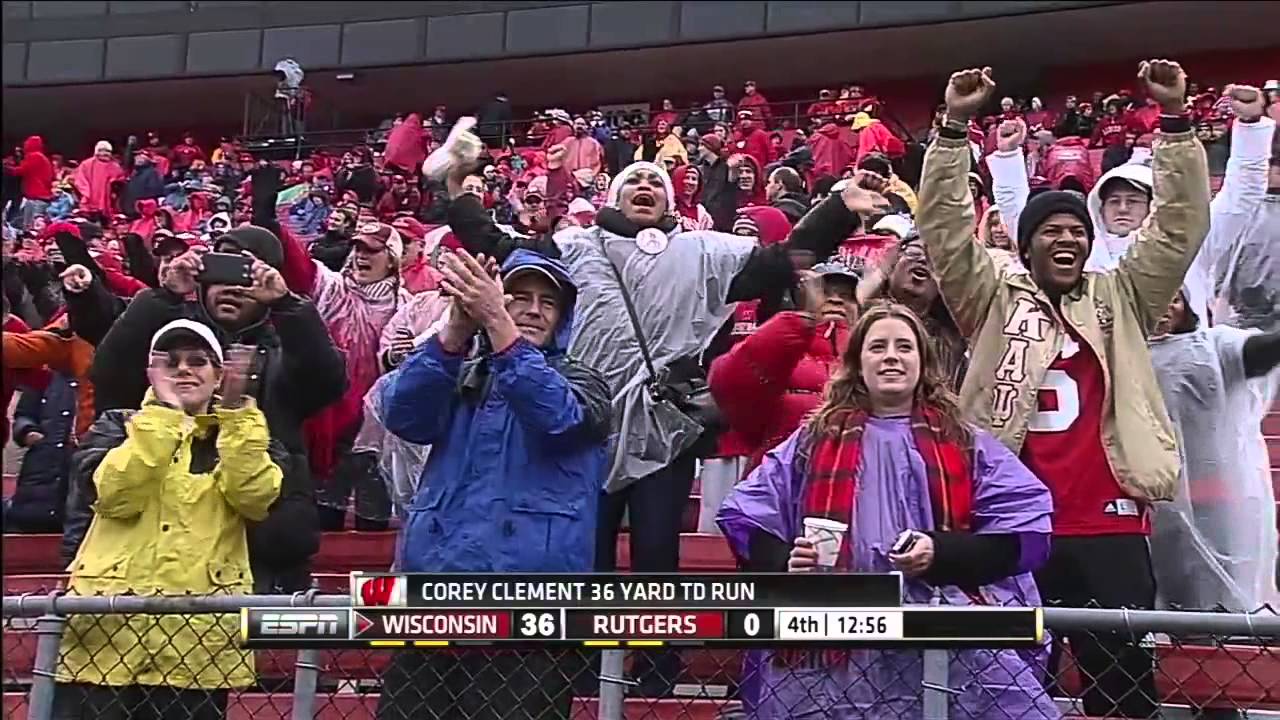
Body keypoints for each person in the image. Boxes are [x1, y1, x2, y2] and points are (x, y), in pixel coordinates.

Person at [919, 61, 1209, 719]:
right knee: (1005, 690)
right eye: (1051, 229)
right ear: (1026, 246)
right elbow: (942, 228)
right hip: (1014, 525)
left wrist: (1175, 123)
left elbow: (1181, 227)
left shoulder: (1123, 297)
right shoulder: (988, 299)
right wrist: (953, 128)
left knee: (1124, 690)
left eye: (1077, 230)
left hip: (1108, 521)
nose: (1067, 237)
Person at [718, 303, 1058, 719]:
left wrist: (941, 553)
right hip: (835, 629)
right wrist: (786, 559)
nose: (891, 356)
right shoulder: (811, 439)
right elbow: (748, 515)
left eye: (904, 347)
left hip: (941, 626)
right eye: (877, 347)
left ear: (923, 362)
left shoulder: (967, 442)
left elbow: (1021, 532)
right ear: (858, 364)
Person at [375, 249, 611, 719]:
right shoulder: (457, 370)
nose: (532, 310)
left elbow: (556, 417)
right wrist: (456, 331)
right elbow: (404, 415)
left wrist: (498, 327)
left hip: (529, 615)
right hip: (434, 595)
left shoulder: (586, 382)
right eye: (517, 298)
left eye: (548, 302)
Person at [88, 225, 346, 592]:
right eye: (221, 275)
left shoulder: (284, 355)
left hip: (266, 538)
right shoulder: (169, 350)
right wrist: (164, 296)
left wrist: (287, 304)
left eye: (245, 277)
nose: (232, 288)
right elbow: (110, 374)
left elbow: (326, 381)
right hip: (165, 534)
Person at [53, 319, 281, 720]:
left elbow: (254, 498)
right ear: (149, 375)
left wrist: (235, 415)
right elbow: (116, 497)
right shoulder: (116, 426)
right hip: (106, 641)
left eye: (198, 361)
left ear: (220, 376)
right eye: (170, 362)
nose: (183, 370)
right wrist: (164, 416)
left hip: (194, 647)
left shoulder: (245, 434)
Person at [1148, 288, 1279, 612]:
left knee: (1218, 595)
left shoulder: (1209, 347)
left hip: (1214, 494)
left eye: (1174, 300)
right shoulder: (1120, 355)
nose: (1164, 308)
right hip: (1154, 499)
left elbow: (1256, 352)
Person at [277, 220, 401, 530]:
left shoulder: (407, 306)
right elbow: (301, 269)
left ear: (392, 258)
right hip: (330, 427)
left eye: (372, 250)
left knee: (374, 529)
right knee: (324, 525)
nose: (361, 255)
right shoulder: (334, 290)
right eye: (358, 247)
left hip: (378, 433)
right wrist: (273, 226)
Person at [709, 264, 857, 473]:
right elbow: (728, 381)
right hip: (779, 485)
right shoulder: (778, 350)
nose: (836, 300)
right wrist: (804, 320)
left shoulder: (868, 360)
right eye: (823, 292)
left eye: (847, 296)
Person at [7, 135, 54, 229]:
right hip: (42, 197)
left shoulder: (34, 156)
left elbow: (20, 170)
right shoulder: (43, 157)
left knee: (30, 228)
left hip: (36, 197)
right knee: (34, 225)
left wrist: (6, 168)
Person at [72, 141, 125, 219]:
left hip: (107, 200)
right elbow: (80, 179)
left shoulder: (115, 166)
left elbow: (120, 179)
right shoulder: (86, 164)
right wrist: (86, 193)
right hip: (90, 197)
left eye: (107, 151)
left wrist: (113, 184)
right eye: (102, 150)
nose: (104, 153)